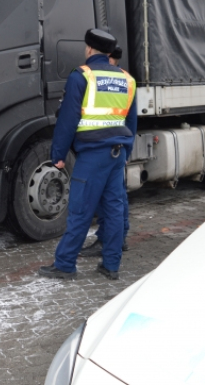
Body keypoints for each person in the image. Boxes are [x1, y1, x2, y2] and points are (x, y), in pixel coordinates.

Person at [38, 30, 137, 280]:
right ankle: (111, 266)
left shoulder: (81, 76)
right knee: (114, 210)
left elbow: (67, 120)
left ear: (89, 49)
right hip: (117, 153)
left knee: (81, 209)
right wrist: (127, 151)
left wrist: (58, 154)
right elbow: (132, 121)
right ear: (108, 52)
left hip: (92, 155)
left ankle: (65, 264)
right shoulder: (128, 79)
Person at [80, 45, 131, 257]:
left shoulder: (112, 80)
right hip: (117, 147)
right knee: (117, 198)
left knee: (110, 199)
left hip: (106, 148)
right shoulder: (125, 79)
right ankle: (117, 240)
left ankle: (110, 241)